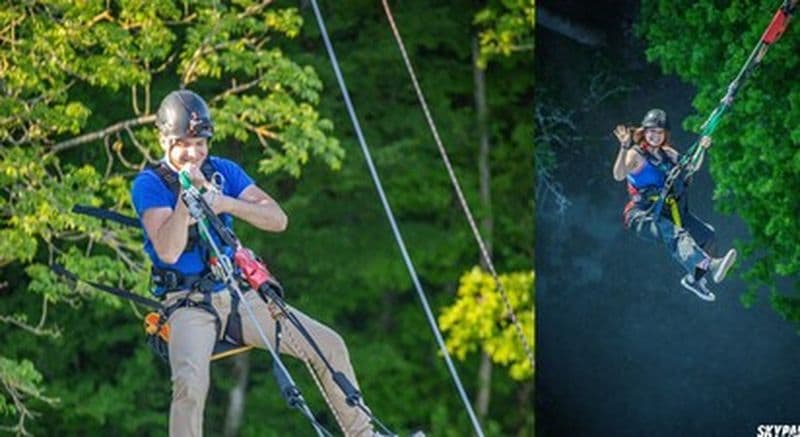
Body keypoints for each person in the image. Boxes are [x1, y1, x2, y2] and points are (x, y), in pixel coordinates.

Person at [131, 89, 384, 436]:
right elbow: (169, 251)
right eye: (184, 143)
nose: (194, 152)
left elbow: (277, 219)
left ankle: (363, 434)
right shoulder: (149, 184)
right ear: (165, 140)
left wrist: (224, 203)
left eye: (201, 142)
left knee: (329, 345)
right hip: (188, 304)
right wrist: (186, 204)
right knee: (190, 382)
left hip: (237, 295)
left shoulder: (223, 171)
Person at [612, 108, 737, 300]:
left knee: (707, 236)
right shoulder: (635, 154)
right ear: (645, 131)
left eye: (659, 132)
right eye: (651, 131)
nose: (655, 135)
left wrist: (702, 148)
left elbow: (691, 167)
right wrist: (623, 147)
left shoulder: (669, 154)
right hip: (642, 215)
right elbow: (618, 175)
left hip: (668, 211)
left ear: (665, 135)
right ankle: (710, 265)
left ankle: (694, 278)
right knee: (677, 234)